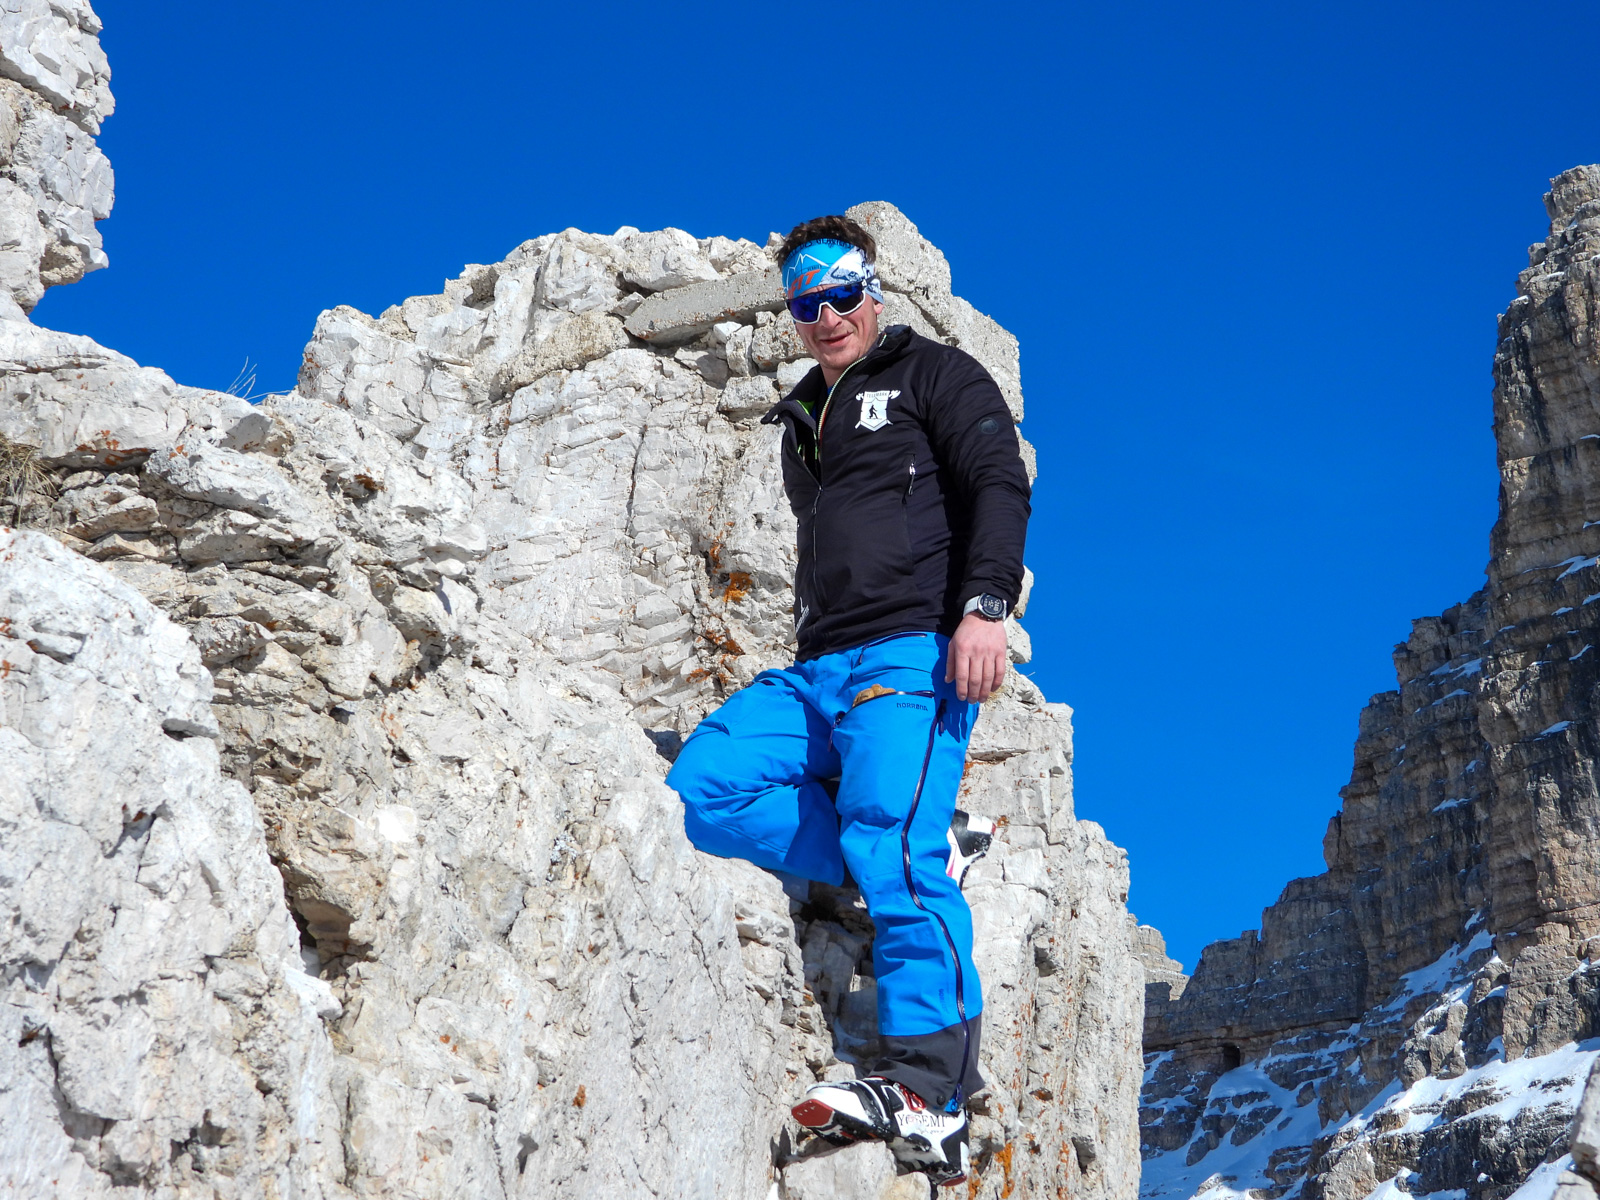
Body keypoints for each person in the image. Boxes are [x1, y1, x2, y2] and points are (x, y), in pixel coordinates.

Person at [665, 215, 1030, 1187]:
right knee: (701, 790)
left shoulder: (935, 375)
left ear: (872, 290)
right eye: (806, 301)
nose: (826, 315)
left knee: (895, 854)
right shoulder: (804, 414)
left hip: (911, 653)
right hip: (817, 665)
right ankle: (923, 837)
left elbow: (997, 482)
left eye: (841, 294)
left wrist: (985, 607)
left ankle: (932, 1094)